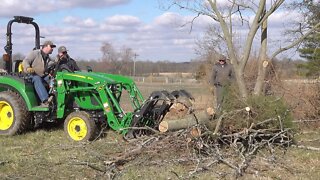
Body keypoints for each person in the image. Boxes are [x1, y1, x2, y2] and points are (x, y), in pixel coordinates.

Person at [22, 40, 56, 107]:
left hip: (41, 76)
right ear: (45, 46)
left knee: (53, 79)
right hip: (30, 75)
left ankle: (54, 98)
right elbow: (26, 61)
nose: (52, 49)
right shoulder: (35, 53)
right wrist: (28, 68)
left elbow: (52, 65)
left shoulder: (48, 58)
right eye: (51, 46)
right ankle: (45, 101)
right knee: (37, 78)